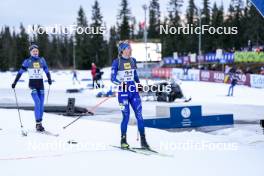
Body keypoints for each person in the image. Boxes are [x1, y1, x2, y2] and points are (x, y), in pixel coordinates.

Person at [111, 41, 149, 149]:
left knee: (140, 115)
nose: (130, 50)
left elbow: (135, 74)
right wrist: (121, 83)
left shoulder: (133, 60)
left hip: (133, 91)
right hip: (123, 93)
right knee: (126, 116)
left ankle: (143, 141)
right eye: (128, 48)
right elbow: (112, 79)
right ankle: (123, 140)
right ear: (122, 50)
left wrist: (138, 83)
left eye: (130, 48)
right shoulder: (116, 62)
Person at [11, 44, 52, 132]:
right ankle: (37, 124)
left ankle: (40, 123)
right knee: (37, 102)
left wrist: (49, 79)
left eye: (36, 51)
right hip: (32, 84)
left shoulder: (42, 60)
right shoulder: (27, 61)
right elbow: (20, 72)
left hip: (41, 84)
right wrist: (15, 82)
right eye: (33, 51)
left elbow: (47, 70)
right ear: (30, 52)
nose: (35, 52)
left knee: (41, 105)